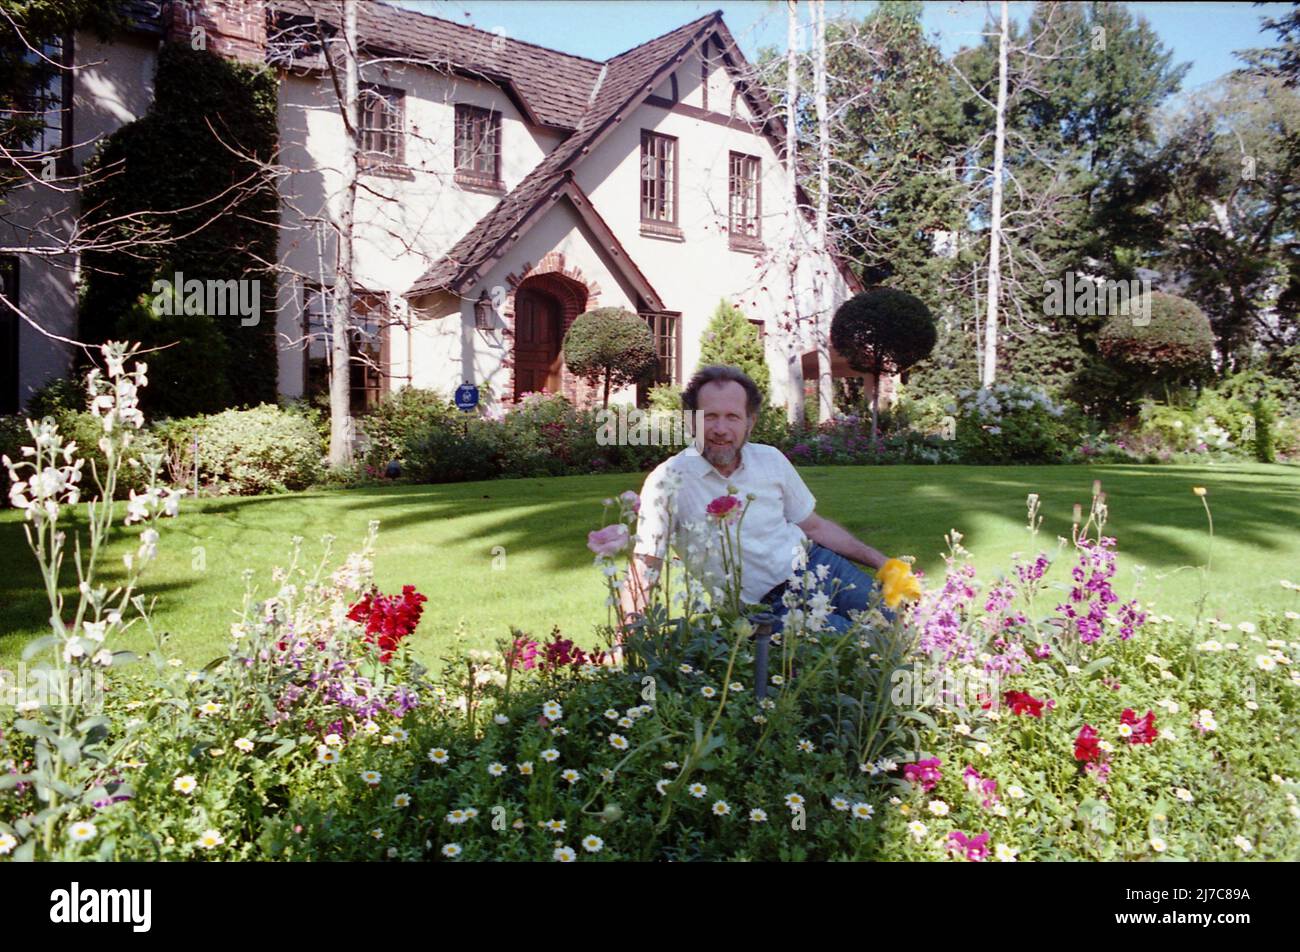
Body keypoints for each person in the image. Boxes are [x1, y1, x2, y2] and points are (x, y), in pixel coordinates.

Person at [618, 364, 896, 649]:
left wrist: (881, 562)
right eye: (710, 417)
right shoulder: (668, 481)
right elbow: (646, 566)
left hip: (820, 566)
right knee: (863, 646)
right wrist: (623, 642)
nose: (720, 429)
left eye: (732, 417)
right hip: (765, 610)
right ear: (691, 421)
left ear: (750, 423)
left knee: (897, 621)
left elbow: (815, 526)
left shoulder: (771, 460)